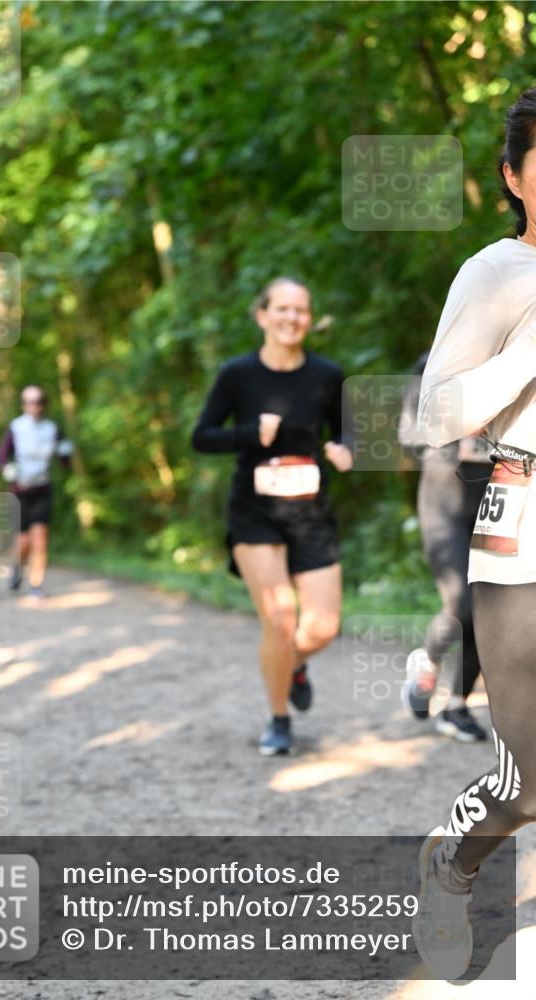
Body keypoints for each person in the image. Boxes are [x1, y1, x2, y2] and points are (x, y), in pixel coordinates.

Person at [412, 87, 536, 979]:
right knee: (529, 782)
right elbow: (435, 411)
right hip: (522, 531)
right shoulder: (497, 273)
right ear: (513, 176)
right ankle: (448, 864)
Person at [192, 277, 353, 756]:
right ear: (262, 315)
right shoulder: (237, 375)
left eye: (301, 310)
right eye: (282, 308)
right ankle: (278, 718)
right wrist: (248, 434)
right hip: (255, 512)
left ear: (310, 318)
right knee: (280, 619)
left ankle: (294, 665)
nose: (292, 318)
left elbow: (351, 432)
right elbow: (201, 437)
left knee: (322, 627)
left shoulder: (328, 374)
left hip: (311, 513)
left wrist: (346, 449)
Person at [399, 352, 492, 742]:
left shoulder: (510, 365)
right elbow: (408, 435)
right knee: (460, 603)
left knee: (488, 609)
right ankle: (428, 659)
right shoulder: (433, 365)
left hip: (493, 506)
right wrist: (458, 438)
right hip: (443, 507)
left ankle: (457, 706)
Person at [0, 385, 72, 600]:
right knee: (23, 541)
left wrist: (65, 455)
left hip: (42, 489)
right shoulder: (16, 427)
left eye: (38, 401)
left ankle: (36, 584)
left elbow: (64, 457)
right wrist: (7, 469)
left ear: (44, 404)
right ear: (24, 404)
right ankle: (17, 568)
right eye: (30, 402)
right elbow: (2, 455)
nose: (35, 406)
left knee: (40, 538)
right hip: (20, 490)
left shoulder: (52, 428)